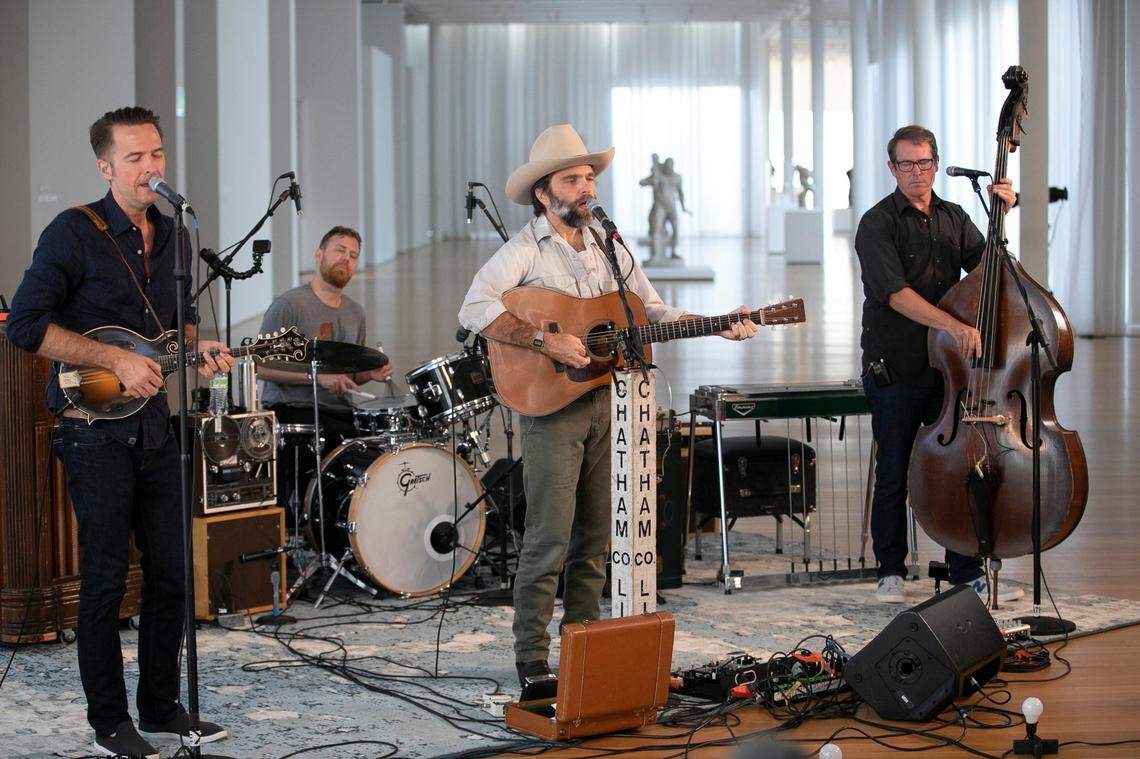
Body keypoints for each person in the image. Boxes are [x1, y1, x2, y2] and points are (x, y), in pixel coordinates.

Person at [458, 124, 757, 687]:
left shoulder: (609, 244)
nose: (586, 188)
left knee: (595, 537)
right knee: (550, 534)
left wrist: (717, 325)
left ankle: (581, 646)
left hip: (608, 400)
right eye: (572, 180)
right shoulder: (522, 250)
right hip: (552, 406)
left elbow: (652, 311)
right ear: (545, 193)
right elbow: (474, 308)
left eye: (589, 177)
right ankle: (530, 657)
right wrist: (545, 340)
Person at [6, 106, 232, 758]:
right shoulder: (72, 233)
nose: (150, 168)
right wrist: (112, 358)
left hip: (156, 429)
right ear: (106, 167)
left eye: (156, 153)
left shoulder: (173, 236)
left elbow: (175, 328)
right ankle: (110, 721)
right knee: (105, 582)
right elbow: (25, 325)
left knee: (171, 576)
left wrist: (199, 346)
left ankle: (161, 705)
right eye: (134, 158)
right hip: (92, 433)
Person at [855, 124, 1023, 605]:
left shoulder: (953, 216)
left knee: (959, 466)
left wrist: (1000, 218)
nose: (917, 172)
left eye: (924, 163)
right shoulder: (878, 223)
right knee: (894, 469)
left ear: (934, 163)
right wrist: (952, 325)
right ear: (892, 168)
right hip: (898, 365)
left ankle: (964, 570)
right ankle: (889, 569)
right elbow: (895, 295)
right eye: (906, 164)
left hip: (949, 373)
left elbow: (991, 272)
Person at [257, 227, 395, 505]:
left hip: (339, 411)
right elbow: (260, 367)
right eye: (339, 250)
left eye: (353, 255)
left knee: (378, 455)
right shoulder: (289, 305)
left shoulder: (356, 312)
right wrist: (316, 377)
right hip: (293, 411)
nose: (346, 259)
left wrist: (370, 373)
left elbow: (346, 376)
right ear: (319, 255)